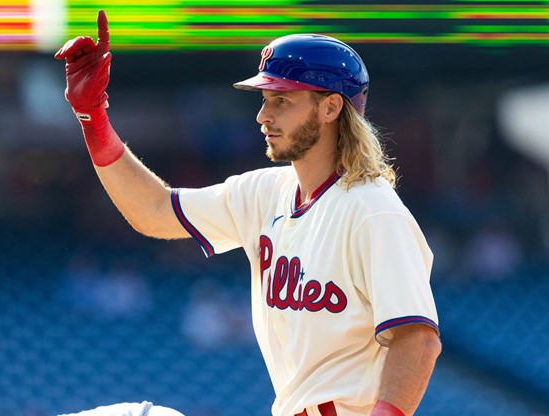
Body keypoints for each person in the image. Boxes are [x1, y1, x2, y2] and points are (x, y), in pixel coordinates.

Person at [54, 10, 441, 416]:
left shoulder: (373, 211)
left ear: (330, 108)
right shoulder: (263, 192)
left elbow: (416, 340)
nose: (263, 116)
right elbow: (153, 211)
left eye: (281, 100)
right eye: (264, 99)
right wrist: (93, 116)